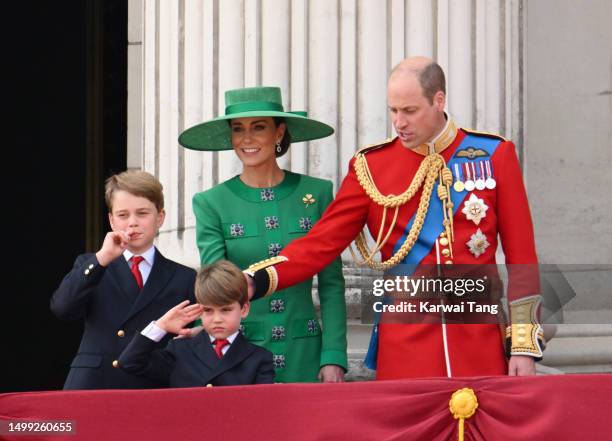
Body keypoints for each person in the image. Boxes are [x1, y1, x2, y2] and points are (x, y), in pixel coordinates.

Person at [245, 57, 544, 379]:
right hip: (405, 344)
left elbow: (522, 257)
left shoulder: (493, 155)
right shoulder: (371, 167)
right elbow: (321, 243)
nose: (399, 122)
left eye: (410, 111)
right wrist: (254, 280)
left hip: (479, 341)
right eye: (393, 110)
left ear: (439, 100)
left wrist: (523, 346)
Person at [179, 86, 348, 383]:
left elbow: (331, 284)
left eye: (258, 128)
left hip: (305, 351)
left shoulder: (317, 193)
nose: (247, 139)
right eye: (238, 129)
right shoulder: (211, 202)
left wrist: (333, 355)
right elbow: (216, 286)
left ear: (279, 132)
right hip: (241, 353)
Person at [50, 170, 196, 389]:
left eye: (142, 213)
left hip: (150, 385)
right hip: (94, 383)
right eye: (123, 215)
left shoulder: (184, 277)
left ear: (160, 217)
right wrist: (102, 258)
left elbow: (187, 341)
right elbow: (62, 308)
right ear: (111, 220)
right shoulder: (93, 264)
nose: (132, 223)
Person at [118, 260, 274, 387]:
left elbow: (260, 410)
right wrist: (161, 325)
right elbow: (129, 362)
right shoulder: (180, 350)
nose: (217, 318)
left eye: (226, 310)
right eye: (208, 310)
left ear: (244, 309)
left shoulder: (259, 359)